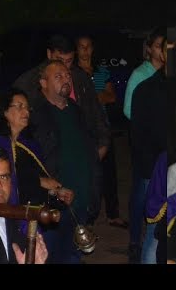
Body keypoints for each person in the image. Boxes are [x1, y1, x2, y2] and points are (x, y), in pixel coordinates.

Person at [26, 59, 98, 264]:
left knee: (73, 255)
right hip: (54, 202)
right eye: (58, 76)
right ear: (43, 83)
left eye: (67, 75)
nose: (66, 79)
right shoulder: (34, 116)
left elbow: (90, 151)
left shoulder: (76, 110)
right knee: (50, 255)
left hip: (81, 198)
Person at [123, 27, 166, 261]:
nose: (162, 51)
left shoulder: (163, 78)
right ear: (151, 49)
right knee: (144, 196)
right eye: (159, 46)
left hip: (160, 151)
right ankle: (133, 239)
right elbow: (130, 110)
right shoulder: (142, 76)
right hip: (148, 150)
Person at [77, 34, 123, 228]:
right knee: (86, 172)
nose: (85, 51)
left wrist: (93, 97)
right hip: (83, 128)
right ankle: (85, 215)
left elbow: (111, 97)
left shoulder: (102, 71)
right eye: (81, 47)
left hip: (102, 127)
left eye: (88, 46)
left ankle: (113, 214)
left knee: (109, 173)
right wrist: (98, 96)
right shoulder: (72, 73)